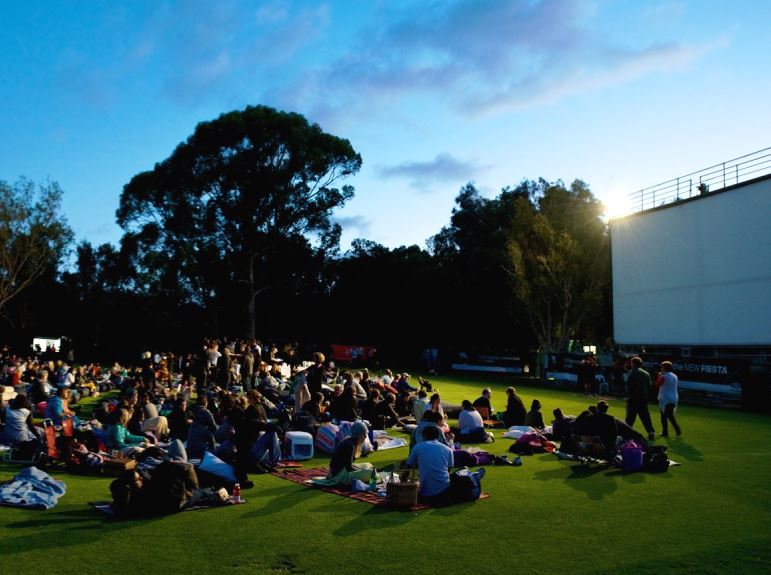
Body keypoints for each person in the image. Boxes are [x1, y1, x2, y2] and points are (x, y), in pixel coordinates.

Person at [314, 421, 377, 487]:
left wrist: (361, 469)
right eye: (364, 435)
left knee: (368, 465)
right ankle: (374, 479)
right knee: (371, 472)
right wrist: (362, 470)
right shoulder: (350, 446)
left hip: (337, 472)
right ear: (360, 435)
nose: (365, 437)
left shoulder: (349, 441)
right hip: (339, 477)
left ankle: (371, 474)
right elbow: (349, 468)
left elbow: (348, 465)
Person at [406, 425, 454, 504]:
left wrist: (403, 485)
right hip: (445, 491)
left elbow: (407, 469)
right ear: (438, 436)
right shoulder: (448, 449)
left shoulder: (418, 447)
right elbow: (448, 471)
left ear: (424, 435)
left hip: (426, 493)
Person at [625, 357, 655, 440]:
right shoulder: (646, 373)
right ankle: (651, 432)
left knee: (630, 418)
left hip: (633, 398)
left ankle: (626, 433)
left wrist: (628, 395)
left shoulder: (632, 373)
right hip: (643, 398)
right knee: (645, 416)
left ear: (633, 363)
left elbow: (629, 386)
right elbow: (649, 386)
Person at [657, 361, 681, 437]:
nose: (661, 368)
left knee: (663, 416)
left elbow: (657, 384)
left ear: (664, 368)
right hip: (674, 397)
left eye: (661, 367)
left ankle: (665, 432)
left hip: (665, 398)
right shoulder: (675, 376)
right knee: (670, 415)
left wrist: (659, 376)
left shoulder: (664, 376)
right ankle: (677, 429)